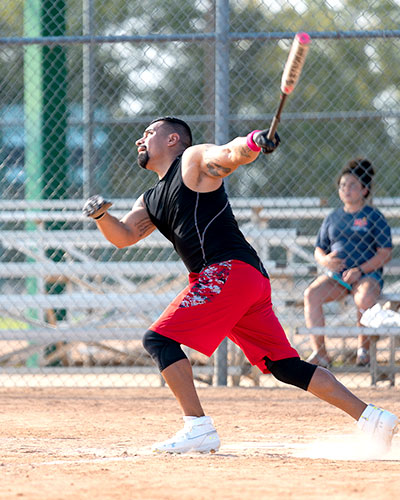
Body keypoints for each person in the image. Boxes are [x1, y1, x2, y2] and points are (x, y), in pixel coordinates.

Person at [83, 117, 398, 454]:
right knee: (284, 365)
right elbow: (125, 236)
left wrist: (253, 142)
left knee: (158, 340)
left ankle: (198, 428)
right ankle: (372, 418)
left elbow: (228, 154)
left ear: (173, 139)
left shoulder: (191, 161)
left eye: (148, 133)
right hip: (242, 278)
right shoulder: (149, 200)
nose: (139, 140)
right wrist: (102, 217)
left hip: (226, 272)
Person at [304, 159, 392, 368]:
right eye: (343, 185)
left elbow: (385, 252)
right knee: (311, 295)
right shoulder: (333, 217)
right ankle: (321, 353)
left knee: (364, 298)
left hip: (366, 276)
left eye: (353, 185)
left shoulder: (373, 216)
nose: (346, 189)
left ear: (364, 190)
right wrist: (325, 260)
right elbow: (319, 248)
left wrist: (360, 270)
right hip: (337, 278)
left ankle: (364, 351)